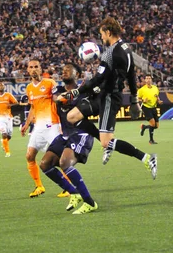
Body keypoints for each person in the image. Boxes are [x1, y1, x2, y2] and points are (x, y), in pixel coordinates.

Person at [62, 17, 157, 178]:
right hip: (102, 94)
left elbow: (97, 79)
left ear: (108, 32)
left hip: (109, 98)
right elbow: (131, 75)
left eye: (102, 34)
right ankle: (104, 142)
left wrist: (76, 92)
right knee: (72, 116)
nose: (102, 38)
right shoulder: (126, 48)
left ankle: (147, 158)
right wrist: (134, 99)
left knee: (107, 142)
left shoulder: (109, 54)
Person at [39, 62, 98, 214]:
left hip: (81, 133)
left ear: (77, 75)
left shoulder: (85, 92)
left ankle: (89, 202)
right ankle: (73, 192)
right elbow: (57, 99)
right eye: (63, 70)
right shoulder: (58, 90)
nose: (64, 71)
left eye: (68, 70)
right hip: (65, 135)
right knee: (45, 164)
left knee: (64, 162)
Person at [20, 59, 64, 198]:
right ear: (27, 70)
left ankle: (68, 186)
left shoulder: (50, 83)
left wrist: (63, 123)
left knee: (61, 159)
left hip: (52, 125)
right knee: (29, 156)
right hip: (38, 127)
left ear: (41, 69)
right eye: (31, 67)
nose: (33, 69)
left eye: (36, 67)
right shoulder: (29, 88)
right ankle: (39, 186)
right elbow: (33, 107)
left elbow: (59, 100)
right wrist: (26, 125)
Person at [0, 82, 18, 157]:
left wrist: (10, 104)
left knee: (9, 135)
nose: (1, 86)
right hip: (0, 118)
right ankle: (7, 152)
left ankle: (3, 142)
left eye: (2, 85)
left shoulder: (8, 95)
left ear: (4, 87)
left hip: (9, 117)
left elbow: (16, 102)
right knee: (4, 134)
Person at [138, 74, 163, 145]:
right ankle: (151, 140)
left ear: (151, 80)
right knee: (152, 123)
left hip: (153, 107)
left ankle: (144, 127)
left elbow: (156, 96)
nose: (148, 79)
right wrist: (143, 100)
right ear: (145, 80)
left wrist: (159, 101)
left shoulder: (155, 88)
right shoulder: (142, 90)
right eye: (147, 78)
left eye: (149, 78)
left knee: (156, 126)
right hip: (146, 107)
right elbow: (138, 98)